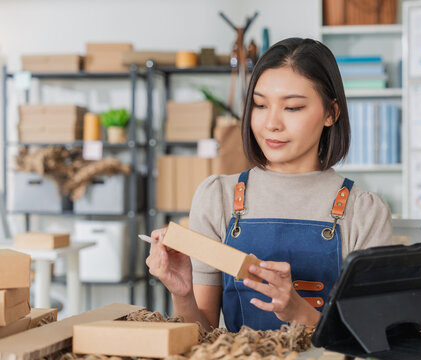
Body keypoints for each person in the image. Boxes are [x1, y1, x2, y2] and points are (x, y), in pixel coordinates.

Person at [146, 37, 392, 333]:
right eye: (260, 105)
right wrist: (182, 295)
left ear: (331, 113)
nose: (271, 123)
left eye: (292, 108)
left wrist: (300, 312)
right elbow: (203, 338)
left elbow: (368, 339)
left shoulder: (364, 211)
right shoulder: (217, 197)